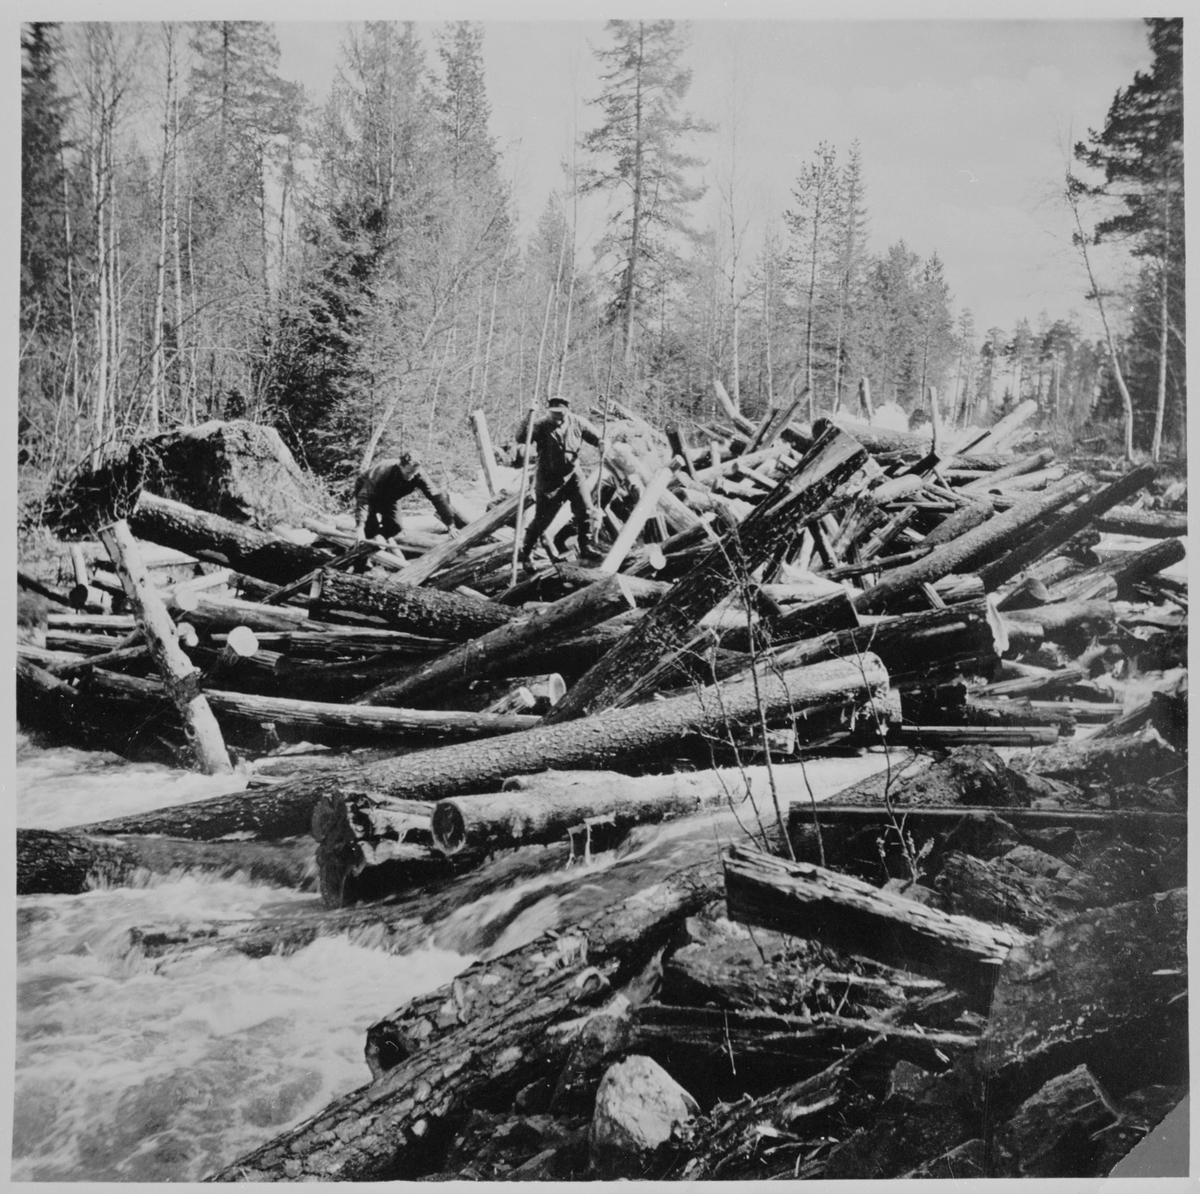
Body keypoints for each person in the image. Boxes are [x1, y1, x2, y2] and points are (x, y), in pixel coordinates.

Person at [514, 395, 605, 568]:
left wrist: (602, 443)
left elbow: (598, 438)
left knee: (585, 510)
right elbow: (521, 438)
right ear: (549, 411)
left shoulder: (578, 422)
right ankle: (526, 552)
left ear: (567, 411)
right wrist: (529, 414)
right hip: (549, 479)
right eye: (553, 413)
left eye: (560, 413)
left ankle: (585, 547)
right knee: (542, 519)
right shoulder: (540, 424)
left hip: (573, 474)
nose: (557, 418)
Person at [353, 450, 463, 542]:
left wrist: (450, 525)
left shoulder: (419, 475)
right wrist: (360, 527)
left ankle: (378, 539)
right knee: (369, 530)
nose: (411, 477)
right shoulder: (384, 471)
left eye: (414, 473)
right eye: (408, 473)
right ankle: (360, 557)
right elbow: (364, 498)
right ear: (400, 466)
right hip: (368, 492)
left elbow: (436, 497)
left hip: (391, 496)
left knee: (395, 527)